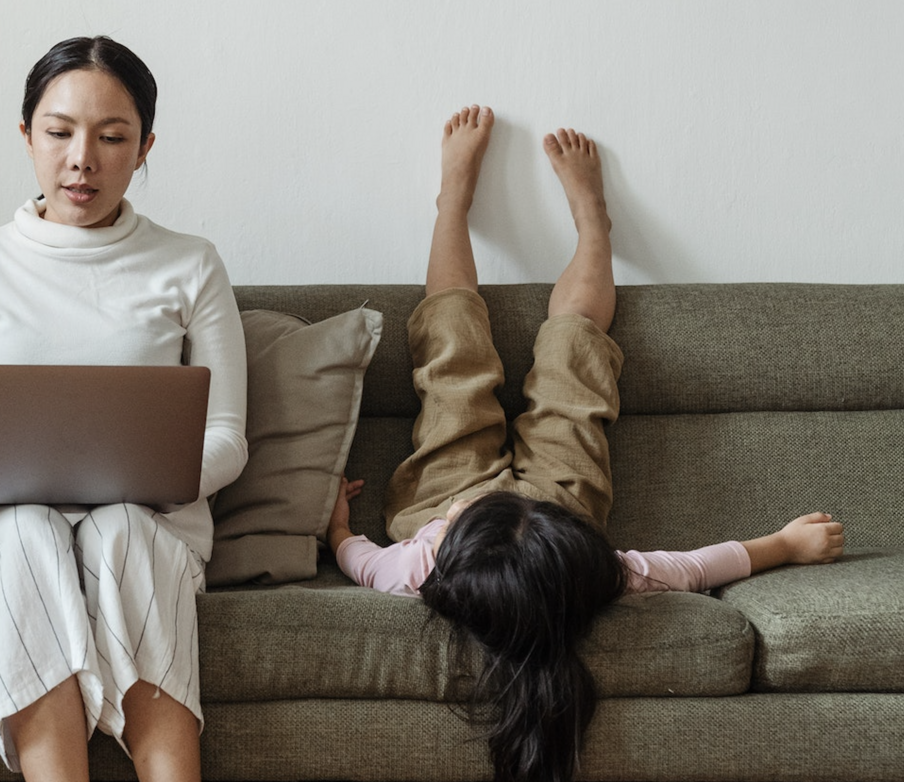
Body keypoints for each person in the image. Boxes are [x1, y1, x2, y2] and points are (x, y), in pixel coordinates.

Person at [326, 106, 845, 782]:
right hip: (558, 505)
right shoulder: (590, 573)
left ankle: (451, 201)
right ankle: (594, 224)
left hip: (439, 498)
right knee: (575, 356)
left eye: (464, 522)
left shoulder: (421, 568)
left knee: (451, 355)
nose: (478, 503)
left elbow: (361, 562)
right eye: (469, 516)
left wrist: (337, 524)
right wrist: (783, 545)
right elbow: (693, 568)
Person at [0, 36, 247, 782]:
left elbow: (226, 436)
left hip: (148, 518)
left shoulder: (191, 264)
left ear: (145, 145)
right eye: (59, 133)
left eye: (112, 137)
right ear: (26, 136)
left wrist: (154, 478)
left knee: (122, 529)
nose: (82, 159)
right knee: (28, 533)